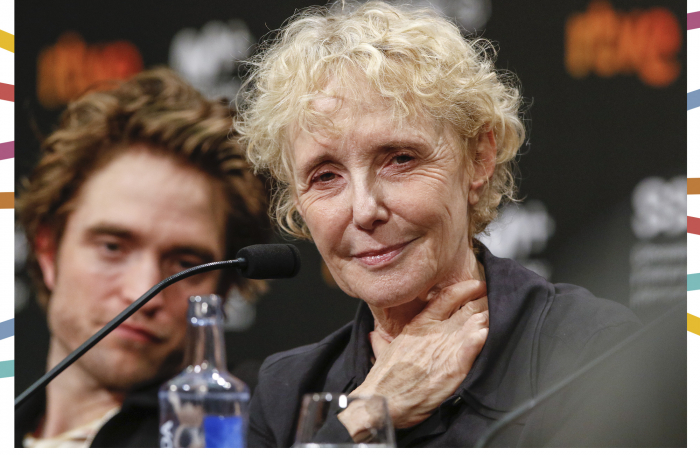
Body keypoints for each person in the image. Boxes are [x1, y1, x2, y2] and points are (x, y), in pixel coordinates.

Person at [237, 1, 641, 447]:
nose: (364, 210)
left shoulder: (593, 354)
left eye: (400, 159)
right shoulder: (284, 394)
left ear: (479, 158)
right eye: (325, 176)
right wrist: (363, 414)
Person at [14, 68, 270, 448]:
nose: (143, 293)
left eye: (185, 264)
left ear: (223, 288)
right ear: (48, 251)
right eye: (112, 247)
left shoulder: (261, 425)